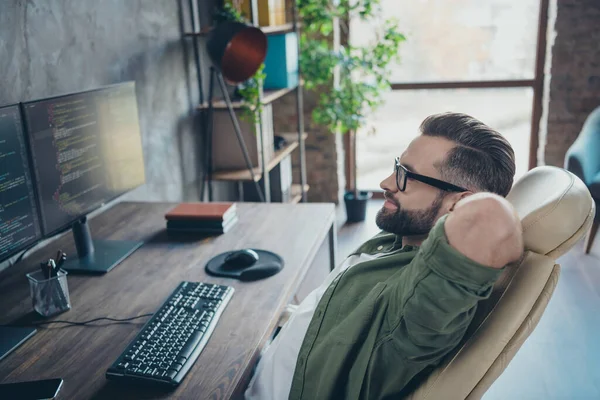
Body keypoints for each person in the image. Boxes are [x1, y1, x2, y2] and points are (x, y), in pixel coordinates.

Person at [245, 112, 524, 400]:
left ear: (460, 202)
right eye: (396, 167)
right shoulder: (398, 237)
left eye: (407, 176)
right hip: (260, 366)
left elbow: (489, 217)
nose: (386, 182)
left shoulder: (418, 305)